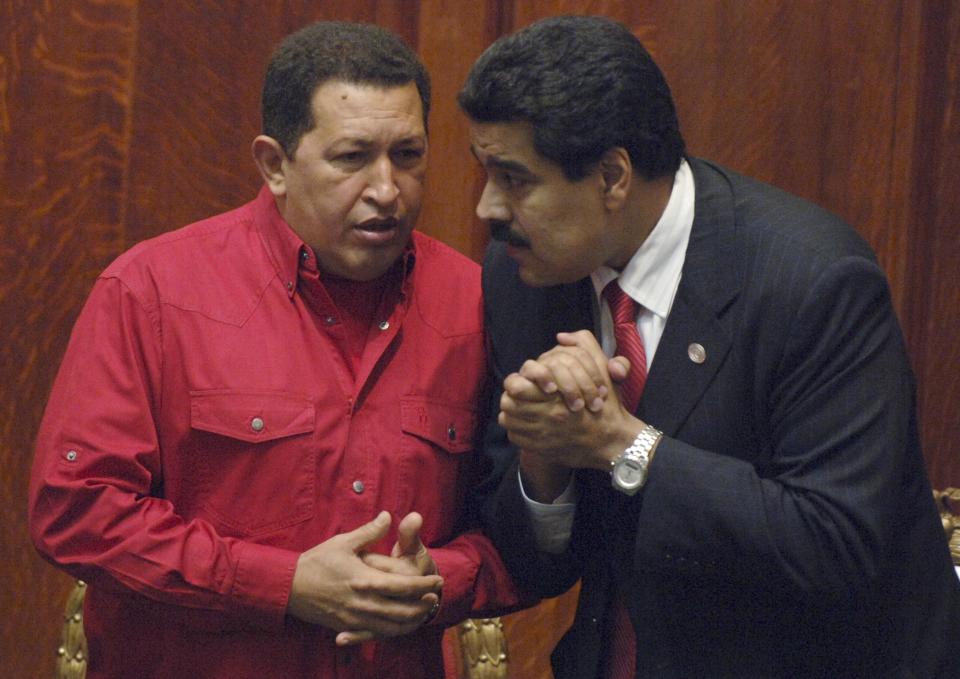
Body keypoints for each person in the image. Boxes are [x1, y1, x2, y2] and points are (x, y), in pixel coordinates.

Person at [459, 15, 960, 679]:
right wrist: (544, 459)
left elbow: (836, 545)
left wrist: (622, 443)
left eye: (514, 179)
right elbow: (538, 562)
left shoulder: (812, 282)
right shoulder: (523, 275)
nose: (487, 209)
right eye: (485, 173)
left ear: (612, 176)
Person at [29, 21, 520, 679]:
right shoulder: (152, 290)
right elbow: (76, 508)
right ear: (274, 164)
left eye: (407, 154)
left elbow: (528, 529)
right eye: (352, 157)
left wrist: (441, 578)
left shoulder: (478, 303)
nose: (386, 188)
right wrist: (281, 584)